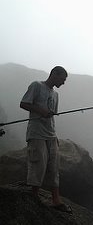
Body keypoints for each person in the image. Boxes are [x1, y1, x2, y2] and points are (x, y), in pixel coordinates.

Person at [20, 66, 72, 213]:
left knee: (54, 167)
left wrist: (48, 113)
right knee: (38, 165)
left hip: (51, 133)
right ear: (55, 74)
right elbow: (23, 103)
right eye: (63, 79)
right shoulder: (36, 85)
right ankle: (34, 198)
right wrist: (41, 111)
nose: (63, 83)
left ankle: (56, 200)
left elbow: (52, 113)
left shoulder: (55, 94)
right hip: (36, 133)